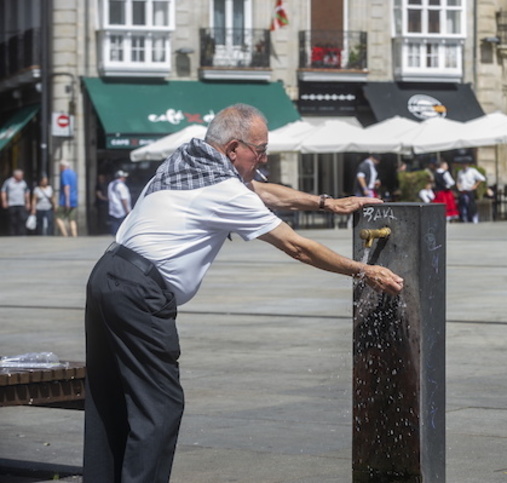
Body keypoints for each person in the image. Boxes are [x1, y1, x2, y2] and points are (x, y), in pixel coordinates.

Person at [83, 103, 404, 483]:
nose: (264, 157)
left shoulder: (188, 160)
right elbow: (296, 246)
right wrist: (362, 270)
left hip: (106, 277)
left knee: (111, 400)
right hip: (140, 293)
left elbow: (262, 191)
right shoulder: (223, 189)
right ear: (234, 148)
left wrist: (324, 203)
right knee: (160, 407)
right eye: (260, 150)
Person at [455, 157, 487, 223]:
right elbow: (458, 180)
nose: (464, 165)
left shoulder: (472, 171)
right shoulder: (460, 172)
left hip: (469, 190)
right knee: (462, 205)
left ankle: (473, 218)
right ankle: (464, 218)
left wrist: (475, 185)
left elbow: (482, 178)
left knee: (471, 205)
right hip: (463, 190)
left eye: (465, 164)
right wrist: (458, 185)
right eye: (462, 164)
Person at [1, 169, 30, 235]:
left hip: (21, 204)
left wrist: (28, 202)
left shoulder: (23, 182)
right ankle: (12, 234)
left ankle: (21, 234)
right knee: (12, 220)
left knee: (22, 219)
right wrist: (4, 201)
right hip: (11, 204)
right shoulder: (8, 182)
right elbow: (3, 192)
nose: (22, 176)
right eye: (21, 175)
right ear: (16, 175)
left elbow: (26, 193)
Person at [56, 160, 78, 237]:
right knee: (72, 219)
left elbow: (66, 187)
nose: (59, 168)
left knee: (58, 218)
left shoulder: (64, 173)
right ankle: (74, 235)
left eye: (60, 166)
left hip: (65, 200)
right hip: (74, 199)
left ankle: (65, 234)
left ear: (62, 166)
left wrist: (67, 201)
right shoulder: (74, 173)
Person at [107, 170, 132, 235]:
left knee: (114, 224)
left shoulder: (111, 184)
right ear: (121, 177)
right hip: (121, 209)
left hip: (113, 207)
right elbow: (123, 199)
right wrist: (127, 210)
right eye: (124, 177)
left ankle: (114, 235)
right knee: (122, 225)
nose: (125, 179)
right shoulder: (121, 186)